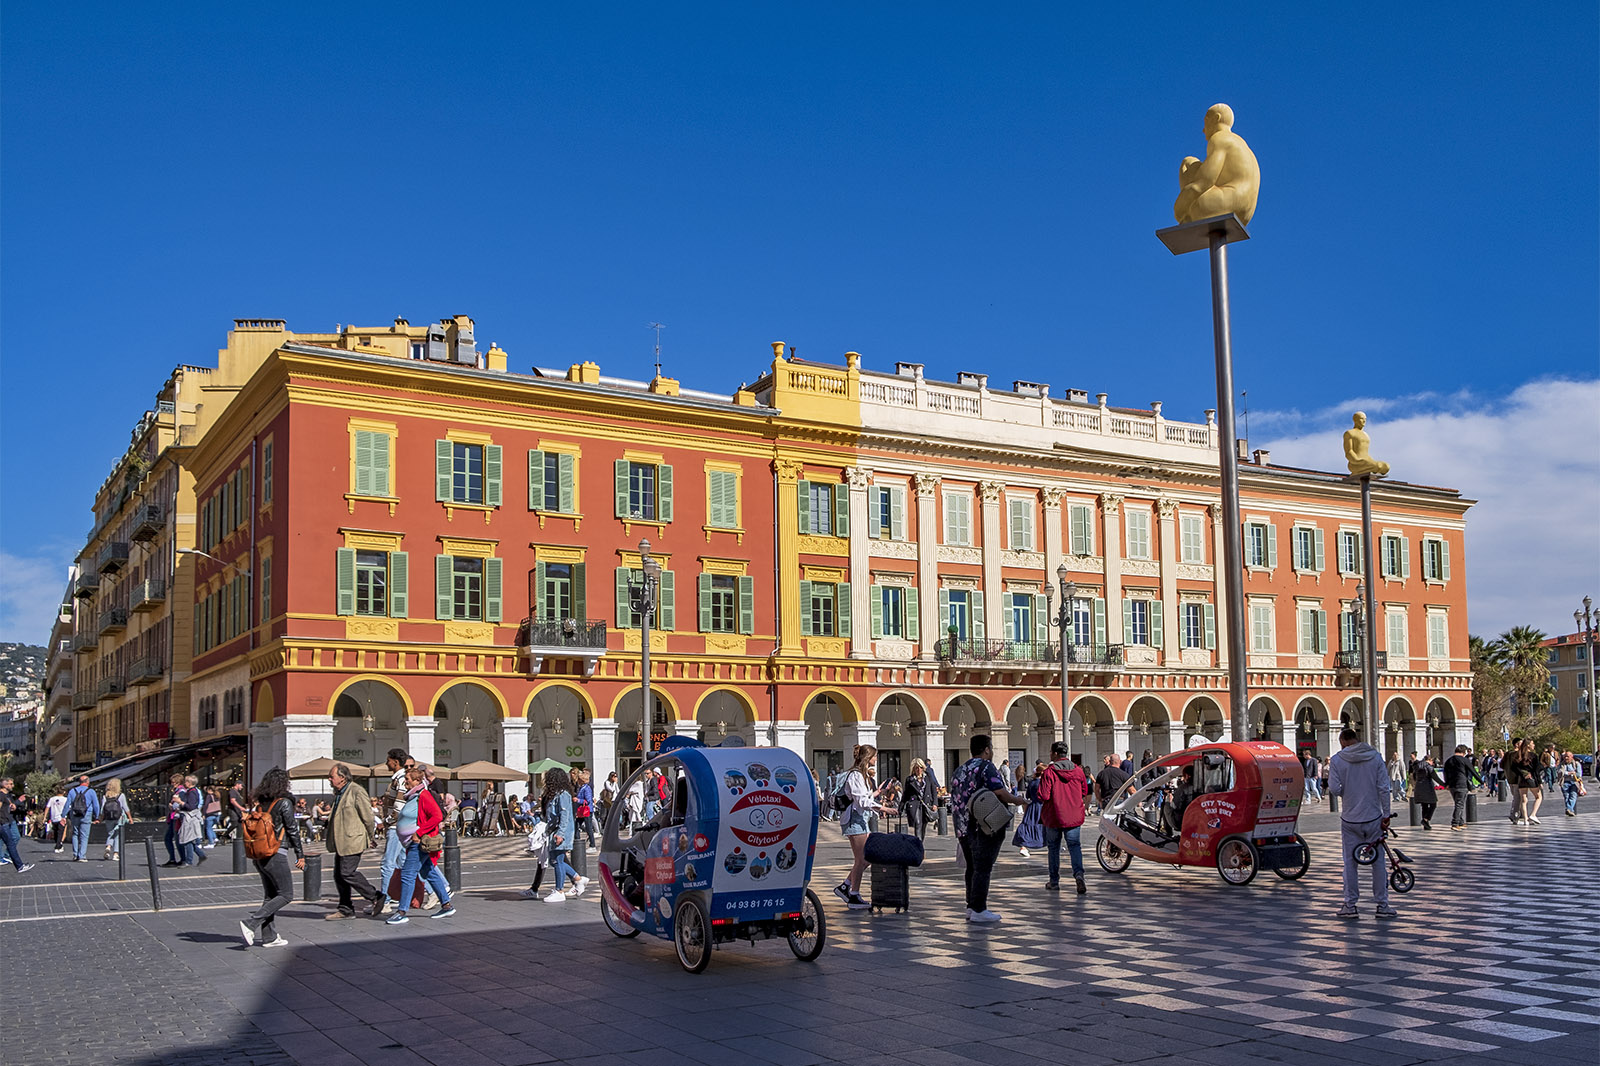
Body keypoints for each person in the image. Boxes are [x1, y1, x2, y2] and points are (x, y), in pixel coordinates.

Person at [949, 734, 1026, 924]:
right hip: (983, 825)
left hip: (962, 826)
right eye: (990, 748)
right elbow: (999, 791)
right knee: (983, 866)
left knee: (972, 867)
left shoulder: (961, 769)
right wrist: (1020, 801)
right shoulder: (986, 767)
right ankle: (979, 908)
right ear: (986, 749)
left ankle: (971, 905)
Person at [1328, 727, 1395, 920]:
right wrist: (1386, 814)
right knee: (1378, 862)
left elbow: (1333, 788)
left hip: (1350, 819)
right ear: (1357, 739)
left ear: (1343, 741)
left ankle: (1350, 904)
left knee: (1350, 862)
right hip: (1373, 816)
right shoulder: (1375, 757)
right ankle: (1382, 905)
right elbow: (1384, 787)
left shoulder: (1337, 760)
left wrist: (1345, 793)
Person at [240, 767, 305, 947]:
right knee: (286, 894)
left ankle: (269, 937)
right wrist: (300, 854)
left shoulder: (260, 804)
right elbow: (292, 830)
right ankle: (251, 923)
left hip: (260, 854)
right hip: (277, 852)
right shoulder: (284, 803)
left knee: (270, 896)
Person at [386, 763, 456, 925]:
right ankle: (446, 905)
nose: (405, 782)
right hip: (415, 841)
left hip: (420, 842)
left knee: (408, 875)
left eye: (408, 780)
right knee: (429, 872)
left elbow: (437, 816)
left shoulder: (423, 795)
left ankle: (402, 911)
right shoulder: (413, 796)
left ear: (417, 780)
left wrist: (419, 832)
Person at [831, 745, 889, 910]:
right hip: (853, 821)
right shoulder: (856, 775)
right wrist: (883, 808)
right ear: (868, 757)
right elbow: (861, 802)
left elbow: (862, 797)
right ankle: (853, 895)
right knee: (863, 859)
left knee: (865, 858)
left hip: (859, 820)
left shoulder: (860, 775)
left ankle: (846, 887)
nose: (876, 759)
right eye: (875, 756)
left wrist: (875, 794)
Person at [324, 762, 380, 920]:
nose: (329, 779)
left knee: (347, 872)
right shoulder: (339, 793)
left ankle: (376, 896)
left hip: (353, 839)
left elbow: (368, 817)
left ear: (342, 777)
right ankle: (345, 909)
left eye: (332, 776)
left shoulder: (356, 790)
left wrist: (371, 836)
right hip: (341, 841)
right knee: (339, 875)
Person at [1037, 741, 1090, 894]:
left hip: (1054, 816)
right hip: (1073, 815)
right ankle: (1079, 876)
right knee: (1074, 846)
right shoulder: (1078, 771)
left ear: (1054, 753)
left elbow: (1044, 795)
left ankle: (1054, 881)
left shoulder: (1049, 772)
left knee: (1053, 848)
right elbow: (1084, 791)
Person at [538, 768, 587, 902]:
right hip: (554, 830)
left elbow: (565, 815)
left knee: (558, 860)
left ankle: (559, 890)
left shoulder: (563, 794)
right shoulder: (556, 794)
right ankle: (578, 879)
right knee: (555, 860)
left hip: (561, 831)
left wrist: (560, 833)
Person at [372, 749, 410, 914]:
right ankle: (436, 891)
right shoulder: (397, 779)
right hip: (399, 826)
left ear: (395, 761)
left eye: (388, 760)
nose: (387, 763)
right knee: (404, 863)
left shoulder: (400, 779)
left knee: (387, 864)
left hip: (396, 827)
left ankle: (385, 901)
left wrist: (387, 821)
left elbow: (399, 805)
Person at [0, 777, 36, 874]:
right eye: (11, 784)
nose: (12, 786)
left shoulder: (6, 796)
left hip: (5, 822)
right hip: (2, 823)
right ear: (5, 785)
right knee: (11, 844)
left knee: (11, 842)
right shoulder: (1, 795)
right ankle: (20, 866)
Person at [64, 774, 102, 862]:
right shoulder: (91, 791)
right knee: (84, 836)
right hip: (86, 814)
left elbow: (67, 805)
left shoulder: (72, 791)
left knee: (75, 834)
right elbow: (96, 805)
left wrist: (63, 816)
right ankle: (82, 856)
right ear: (88, 782)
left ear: (79, 782)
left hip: (74, 814)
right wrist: (97, 816)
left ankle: (75, 854)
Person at [1441, 744, 1475, 831]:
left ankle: (1460, 822)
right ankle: (1455, 823)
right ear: (1463, 752)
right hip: (1461, 784)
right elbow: (1472, 770)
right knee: (1460, 804)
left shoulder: (1449, 760)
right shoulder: (1464, 760)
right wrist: (1482, 781)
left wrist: (1446, 784)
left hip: (1452, 785)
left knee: (1457, 803)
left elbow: (1445, 773)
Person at [902, 759, 937, 840]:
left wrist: (935, 803)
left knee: (924, 826)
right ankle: (919, 845)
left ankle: (920, 843)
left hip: (926, 804)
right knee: (918, 824)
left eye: (920, 767)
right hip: (915, 804)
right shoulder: (910, 779)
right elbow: (906, 794)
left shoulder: (928, 777)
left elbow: (933, 790)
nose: (919, 770)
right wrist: (901, 807)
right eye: (916, 768)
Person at [1409, 754, 1441, 830]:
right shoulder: (1428, 767)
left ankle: (1426, 825)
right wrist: (1445, 785)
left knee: (1424, 806)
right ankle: (1426, 819)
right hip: (1428, 788)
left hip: (1419, 788)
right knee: (1433, 804)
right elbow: (1435, 777)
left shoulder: (1417, 766)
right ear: (1429, 760)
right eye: (1432, 761)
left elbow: (1414, 776)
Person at [101, 778, 130, 861]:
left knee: (110, 834)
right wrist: (130, 818)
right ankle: (116, 854)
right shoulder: (121, 796)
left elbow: (102, 810)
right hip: (119, 818)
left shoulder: (105, 796)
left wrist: (100, 819)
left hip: (108, 818)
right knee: (117, 835)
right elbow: (126, 808)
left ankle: (108, 847)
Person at [1557, 752, 1586, 816]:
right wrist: (1569, 773)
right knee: (1566, 796)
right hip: (1564, 782)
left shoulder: (1576, 764)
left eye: (1567, 756)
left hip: (1574, 783)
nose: (1566, 758)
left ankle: (1568, 809)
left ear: (1571, 757)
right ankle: (1570, 810)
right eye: (1565, 756)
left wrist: (1570, 774)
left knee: (1573, 796)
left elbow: (1578, 774)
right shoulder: (1562, 764)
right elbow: (1559, 772)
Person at [574, 771, 596, 847]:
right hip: (581, 811)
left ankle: (592, 844)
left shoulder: (587, 788)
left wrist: (578, 800)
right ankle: (577, 842)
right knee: (576, 825)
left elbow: (588, 800)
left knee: (589, 827)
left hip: (587, 810)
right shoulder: (581, 788)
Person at [46, 785, 68, 854]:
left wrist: (45, 816)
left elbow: (47, 807)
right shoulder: (65, 799)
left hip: (54, 818)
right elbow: (68, 808)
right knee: (59, 832)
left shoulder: (52, 799)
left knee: (56, 832)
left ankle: (58, 845)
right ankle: (58, 846)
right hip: (62, 818)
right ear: (64, 792)